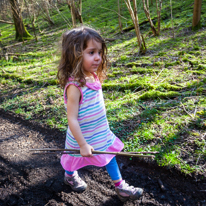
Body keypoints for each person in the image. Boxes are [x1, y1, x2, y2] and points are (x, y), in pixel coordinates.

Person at [57, 26, 143, 202]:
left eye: (99, 52)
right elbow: (71, 118)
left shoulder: (93, 76)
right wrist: (82, 144)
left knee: (109, 155)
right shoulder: (74, 86)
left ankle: (121, 187)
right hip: (82, 136)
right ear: (75, 55)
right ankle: (69, 176)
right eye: (91, 52)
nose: (98, 57)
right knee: (73, 159)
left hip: (100, 131)